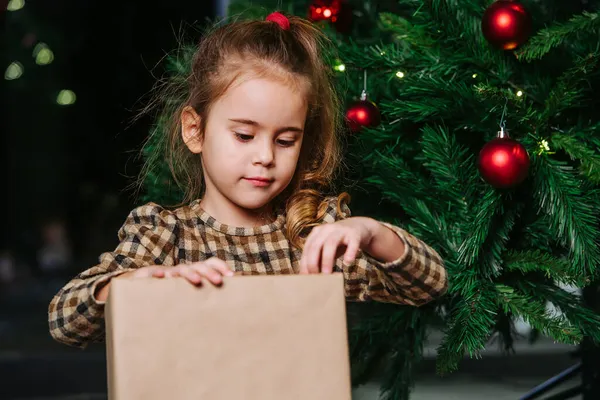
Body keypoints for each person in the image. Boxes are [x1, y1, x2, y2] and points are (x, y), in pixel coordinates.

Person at [48, 11, 448, 348]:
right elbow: (65, 322)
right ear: (195, 130)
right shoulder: (166, 234)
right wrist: (131, 282)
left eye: (286, 140)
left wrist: (370, 232)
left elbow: (428, 286)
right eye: (243, 135)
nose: (265, 157)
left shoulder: (312, 236)